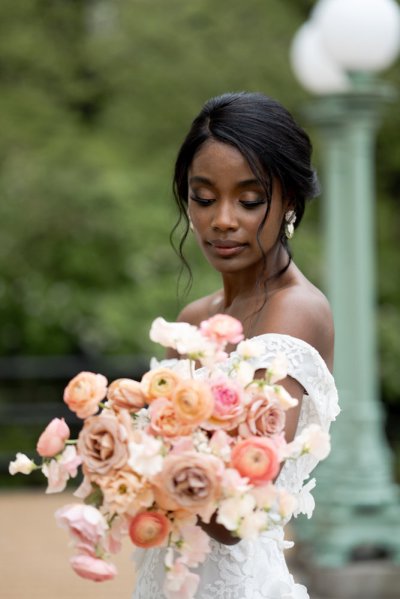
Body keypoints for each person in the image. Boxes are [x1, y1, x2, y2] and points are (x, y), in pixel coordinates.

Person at [132, 92, 340, 598]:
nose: (223, 219)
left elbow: (232, 515)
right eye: (204, 198)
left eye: (248, 201)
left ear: (289, 200)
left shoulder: (294, 313)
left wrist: (131, 457)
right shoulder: (193, 321)